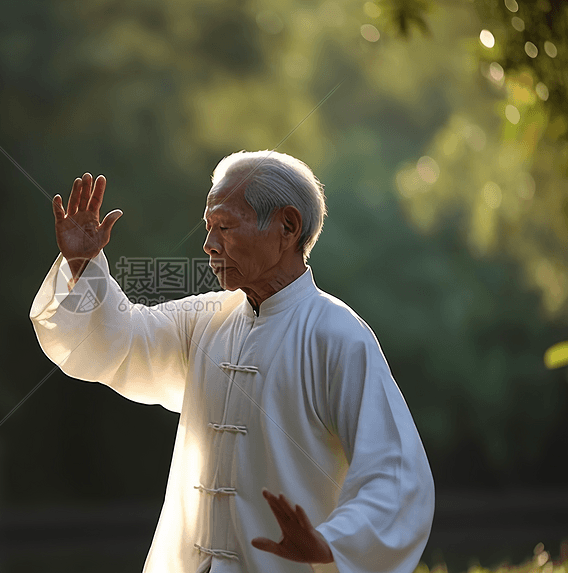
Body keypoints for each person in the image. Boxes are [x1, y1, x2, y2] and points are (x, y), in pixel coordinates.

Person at [29, 150, 435, 573]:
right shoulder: (205, 321)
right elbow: (120, 341)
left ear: (287, 226)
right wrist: (82, 265)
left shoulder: (337, 336)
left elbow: (396, 473)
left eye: (224, 226)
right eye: (208, 228)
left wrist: (329, 541)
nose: (208, 244)